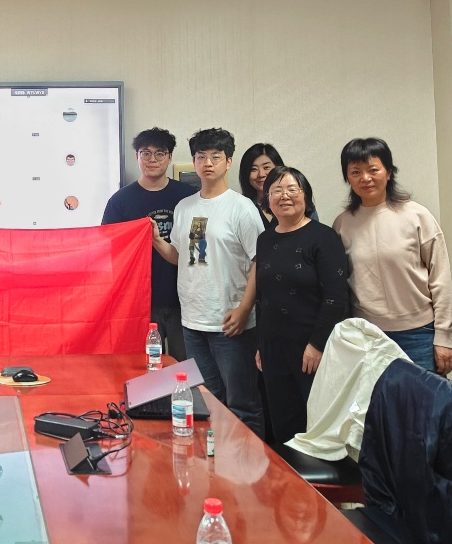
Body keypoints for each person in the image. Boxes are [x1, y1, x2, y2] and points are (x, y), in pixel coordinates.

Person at [153, 128, 265, 437]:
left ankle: (250, 466)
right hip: (192, 322)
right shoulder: (185, 207)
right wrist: (156, 240)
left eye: (216, 157)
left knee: (242, 404)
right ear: (194, 161)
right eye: (201, 157)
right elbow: (180, 256)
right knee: (208, 401)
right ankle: (218, 460)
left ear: (228, 162)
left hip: (230, 323)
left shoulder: (241, 207)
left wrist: (244, 309)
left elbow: (261, 262)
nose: (208, 163)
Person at [332, 138, 452, 375]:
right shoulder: (342, 224)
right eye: (355, 172)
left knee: (421, 399)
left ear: (389, 173)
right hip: (368, 337)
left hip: (420, 334)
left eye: (373, 170)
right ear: (348, 178)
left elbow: (441, 280)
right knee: (378, 399)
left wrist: (444, 336)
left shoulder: (417, 216)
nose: (365, 178)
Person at [252, 166, 349, 443]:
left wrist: (316, 344)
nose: (284, 196)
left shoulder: (324, 237)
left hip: (311, 348)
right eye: (276, 191)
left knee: (318, 427)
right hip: (273, 348)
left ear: (305, 195)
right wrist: (261, 344)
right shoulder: (265, 239)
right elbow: (263, 297)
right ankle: (288, 471)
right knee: (282, 424)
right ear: (267, 200)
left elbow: (335, 296)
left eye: (292, 189)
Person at [102, 127, 197, 361]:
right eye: (145, 153)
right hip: (140, 302)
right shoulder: (120, 201)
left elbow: (198, 246)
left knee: (187, 367)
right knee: (145, 368)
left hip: (185, 299)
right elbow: (109, 249)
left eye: (159, 153)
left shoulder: (189, 197)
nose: (152, 159)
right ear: (137, 156)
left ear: (170, 157)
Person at [239, 142, 318, 228]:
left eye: (266, 167)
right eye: (253, 169)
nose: (261, 174)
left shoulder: (298, 202)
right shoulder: (241, 207)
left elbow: (316, 232)